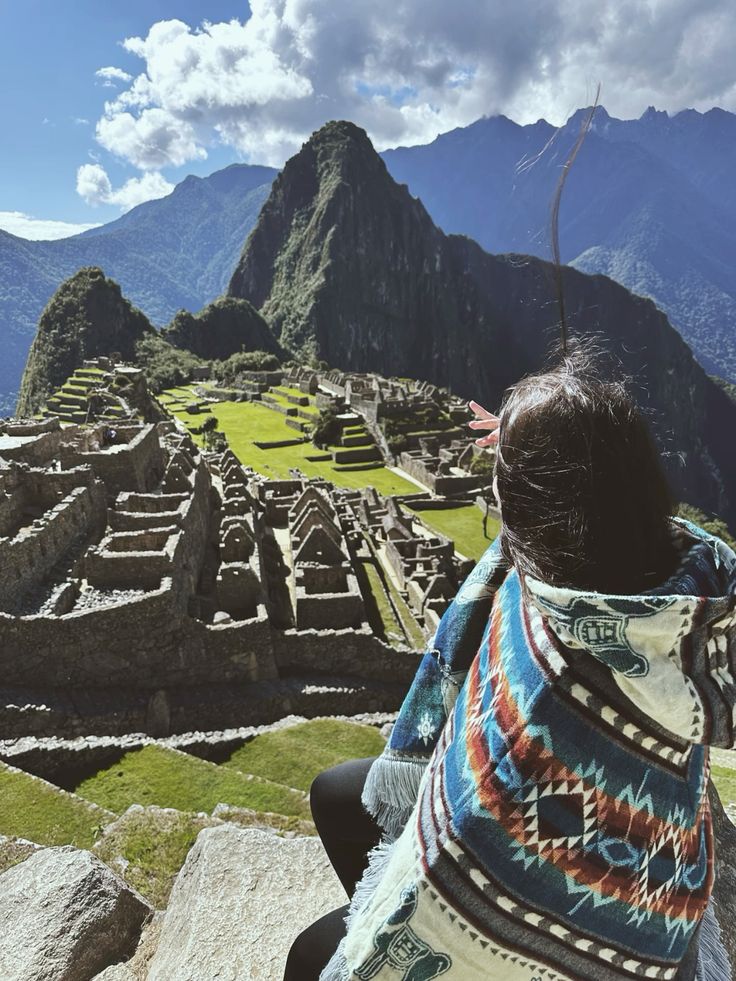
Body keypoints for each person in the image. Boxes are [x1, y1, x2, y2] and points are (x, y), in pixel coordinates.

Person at [285, 345, 735, 981]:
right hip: (633, 848)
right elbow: (594, 471)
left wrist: (409, 923)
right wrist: (531, 441)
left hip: (580, 911)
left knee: (309, 957)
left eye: (507, 482)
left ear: (540, 501)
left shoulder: (556, 678)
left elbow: (475, 849)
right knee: (335, 793)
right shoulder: (676, 576)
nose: (494, 488)